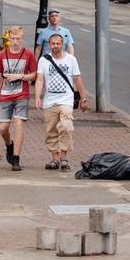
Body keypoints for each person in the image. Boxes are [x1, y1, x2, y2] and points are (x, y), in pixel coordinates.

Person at [34, 33, 88, 172]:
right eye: (53, 44)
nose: (56, 46)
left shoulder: (71, 59)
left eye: (58, 44)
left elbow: (77, 80)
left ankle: (64, 158)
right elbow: (40, 79)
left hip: (66, 100)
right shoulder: (44, 60)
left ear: (62, 44)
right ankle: (55, 159)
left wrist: (83, 99)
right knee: (51, 131)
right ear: (49, 45)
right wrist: (37, 97)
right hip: (50, 101)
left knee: (65, 126)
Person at [0, 26, 37, 172]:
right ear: (9, 39)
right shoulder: (2, 55)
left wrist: (20, 76)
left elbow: (34, 74)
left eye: (18, 39)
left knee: (18, 123)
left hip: (21, 94)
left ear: (22, 39)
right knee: (3, 128)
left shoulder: (28, 54)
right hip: (5, 95)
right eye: (13, 39)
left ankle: (16, 158)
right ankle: (9, 145)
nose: (15, 42)